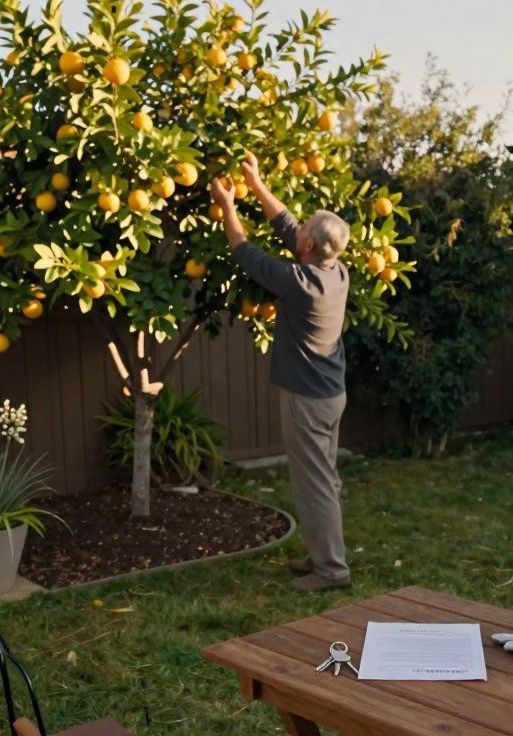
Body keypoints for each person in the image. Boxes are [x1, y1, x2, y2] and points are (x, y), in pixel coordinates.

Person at [210, 155, 353, 592]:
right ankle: (320, 555)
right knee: (321, 477)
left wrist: (228, 205)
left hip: (307, 399)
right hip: (329, 393)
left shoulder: (300, 283)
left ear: (310, 248)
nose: (299, 228)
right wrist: (255, 183)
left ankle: (332, 571)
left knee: (315, 483)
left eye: (306, 229)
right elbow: (288, 226)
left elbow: (244, 250)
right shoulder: (336, 270)